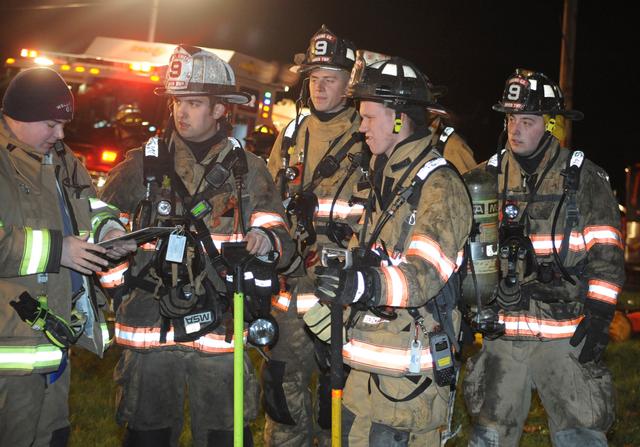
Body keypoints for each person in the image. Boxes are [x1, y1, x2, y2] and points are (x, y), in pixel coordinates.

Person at [100, 44, 294, 447]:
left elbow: (281, 236)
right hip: (151, 329)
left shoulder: (249, 170)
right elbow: (98, 220)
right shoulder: (142, 164)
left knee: (222, 438)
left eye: (194, 103)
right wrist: (115, 262)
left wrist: (267, 239)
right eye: (177, 102)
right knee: (147, 436)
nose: (181, 113)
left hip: (221, 332)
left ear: (220, 109)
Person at [309, 55, 473, 445]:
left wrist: (364, 286)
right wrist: (332, 313)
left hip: (409, 381)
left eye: (368, 116)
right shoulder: (382, 178)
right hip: (364, 369)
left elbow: (424, 275)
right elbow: (364, 258)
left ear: (399, 118)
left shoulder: (439, 186)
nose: (360, 126)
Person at [463, 69, 625, 446]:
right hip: (502, 339)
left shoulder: (584, 178)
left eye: (527, 120)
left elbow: (607, 254)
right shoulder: (483, 181)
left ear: (550, 124)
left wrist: (600, 316)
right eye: (509, 119)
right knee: (490, 435)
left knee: (579, 435)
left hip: (565, 338)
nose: (515, 129)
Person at [0, 67, 135, 447]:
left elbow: (91, 202)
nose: (60, 135)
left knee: (53, 437)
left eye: (63, 124)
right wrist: (59, 250)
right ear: (19, 116)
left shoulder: (60, 156)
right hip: (9, 357)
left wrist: (110, 230)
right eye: (50, 124)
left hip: (53, 342)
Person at [263, 24, 365, 447]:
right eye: (314, 79)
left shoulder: (368, 133)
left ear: (350, 84)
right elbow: (266, 200)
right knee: (282, 392)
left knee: (334, 396)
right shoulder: (291, 134)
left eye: (331, 79)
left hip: (340, 290)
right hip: (289, 292)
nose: (320, 88)